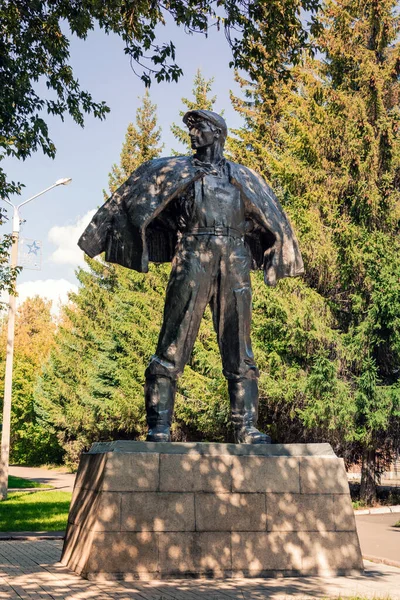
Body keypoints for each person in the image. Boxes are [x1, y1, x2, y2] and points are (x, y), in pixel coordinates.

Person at [78, 110, 304, 444]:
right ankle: (159, 425)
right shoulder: (175, 171)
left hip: (235, 257)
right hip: (193, 254)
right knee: (174, 337)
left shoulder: (243, 177)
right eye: (191, 129)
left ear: (217, 133)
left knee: (239, 342)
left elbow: (269, 216)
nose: (193, 135)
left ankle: (245, 426)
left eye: (199, 129)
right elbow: (135, 197)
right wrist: (100, 235)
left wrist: (276, 251)